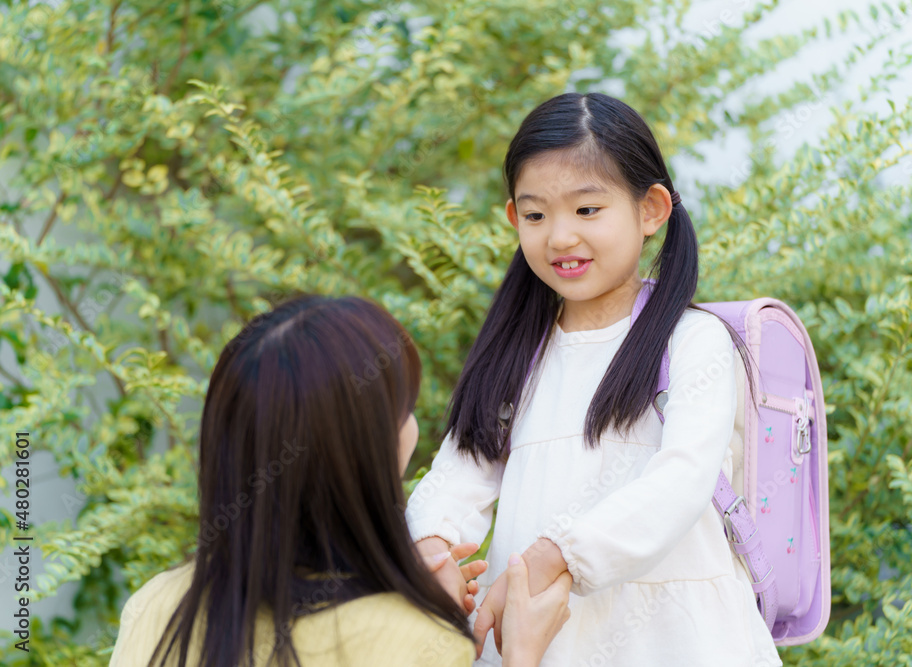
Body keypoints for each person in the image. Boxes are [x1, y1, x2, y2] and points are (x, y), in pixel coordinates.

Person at [406, 92, 783, 666]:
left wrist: (557, 555)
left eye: (587, 210)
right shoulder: (514, 354)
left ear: (652, 209)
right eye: (535, 215)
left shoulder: (691, 341)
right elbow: (460, 471)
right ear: (514, 218)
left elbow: (680, 481)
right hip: (543, 641)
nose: (559, 237)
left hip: (677, 643)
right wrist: (432, 546)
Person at [108, 295, 572, 667]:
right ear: (370, 448)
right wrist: (522, 653)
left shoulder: (157, 607)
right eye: (405, 408)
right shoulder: (414, 645)